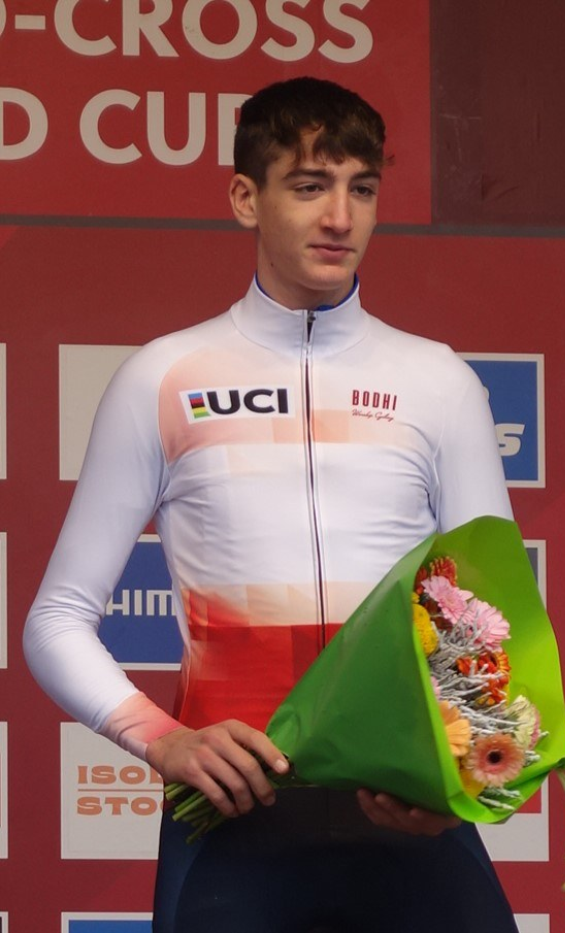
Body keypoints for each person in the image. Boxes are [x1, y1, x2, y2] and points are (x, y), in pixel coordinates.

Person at [24, 77, 519, 932]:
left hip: (410, 816)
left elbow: (492, 613)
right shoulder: (163, 376)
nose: (340, 217)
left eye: (360, 188)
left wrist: (472, 777)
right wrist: (162, 737)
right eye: (309, 185)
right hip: (233, 826)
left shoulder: (436, 380)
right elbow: (55, 619)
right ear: (245, 198)